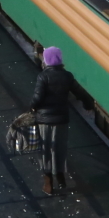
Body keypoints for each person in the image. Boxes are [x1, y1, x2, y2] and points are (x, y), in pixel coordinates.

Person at [30, 45, 73, 195]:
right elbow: (79, 92)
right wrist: (88, 104)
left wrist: (31, 108)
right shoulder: (67, 76)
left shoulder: (43, 76)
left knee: (46, 149)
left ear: (47, 61)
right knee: (60, 148)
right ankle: (61, 177)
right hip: (61, 119)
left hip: (44, 120)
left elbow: (37, 97)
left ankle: (48, 183)